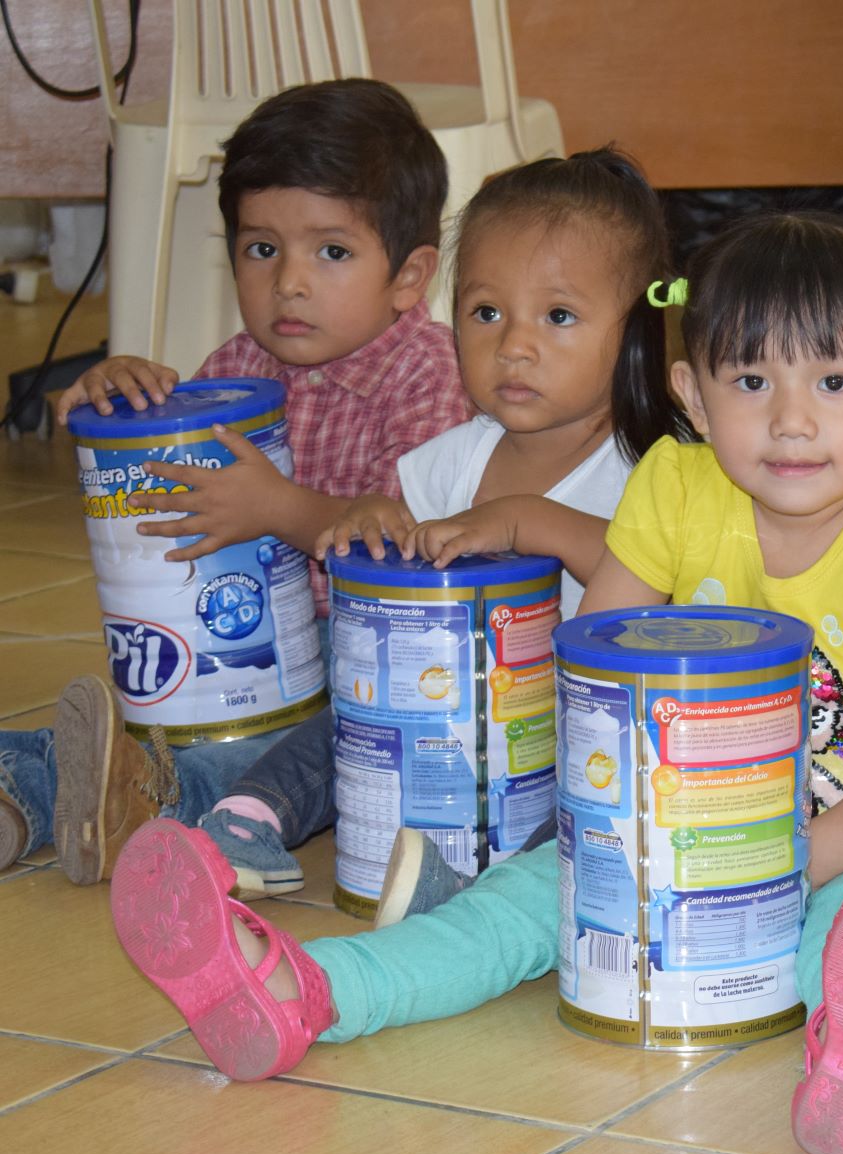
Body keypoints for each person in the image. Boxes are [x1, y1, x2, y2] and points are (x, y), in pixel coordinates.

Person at [108, 211, 843, 1154]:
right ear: (694, 396)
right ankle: (301, 990)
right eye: (752, 381)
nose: (792, 421)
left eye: (833, 383)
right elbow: (598, 662)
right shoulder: (676, 484)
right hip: (669, 828)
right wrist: (592, 832)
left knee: (838, 937)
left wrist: (808, 854)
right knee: (511, 910)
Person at [157, 147, 677, 901]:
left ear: (637, 330)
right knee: (352, 720)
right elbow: (411, 572)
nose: (514, 345)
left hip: (588, 728)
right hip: (452, 716)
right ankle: (247, 819)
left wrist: (525, 520)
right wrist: (375, 523)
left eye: (558, 316)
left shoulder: (658, 467)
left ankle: (477, 900)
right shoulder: (447, 463)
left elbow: (651, 582)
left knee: (588, 803)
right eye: (485, 312)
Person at [0, 79, 471, 884]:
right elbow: (166, 501)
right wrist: (121, 406)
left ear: (409, 275)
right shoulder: (234, 370)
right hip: (236, 642)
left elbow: (410, 547)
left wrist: (280, 510)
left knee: (273, 748)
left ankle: (147, 795)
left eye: (331, 251)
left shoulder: (427, 374)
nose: (288, 281)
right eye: (261, 249)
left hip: (362, 651)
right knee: (157, 718)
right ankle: (30, 790)